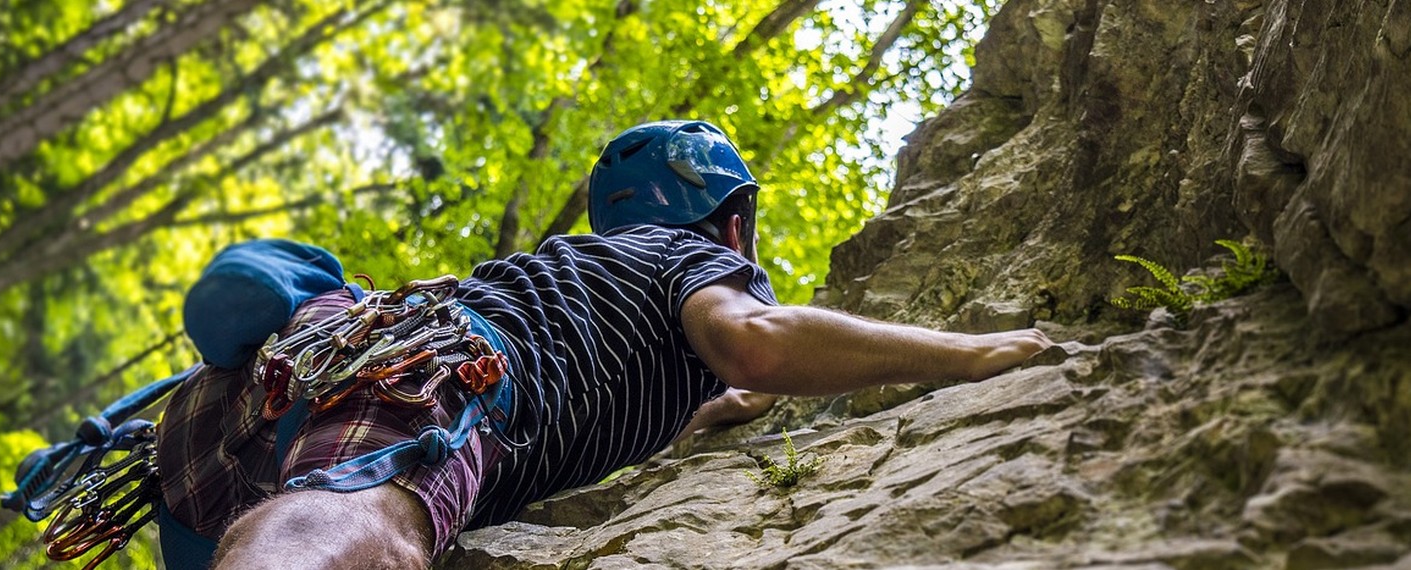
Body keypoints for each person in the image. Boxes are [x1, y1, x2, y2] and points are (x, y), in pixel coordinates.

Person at [155, 120, 1052, 569]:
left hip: (255, 399)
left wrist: (732, 408)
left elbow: (700, 400)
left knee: (278, 519)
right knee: (358, 520)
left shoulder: (592, 296)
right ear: (730, 226)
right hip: (432, 376)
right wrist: (968, 355)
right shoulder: (688, 258)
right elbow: (754, 345)